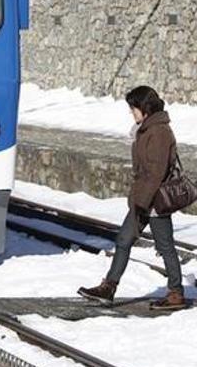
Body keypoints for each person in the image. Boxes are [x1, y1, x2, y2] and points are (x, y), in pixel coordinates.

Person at [78, 86, 187, 310]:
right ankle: (109, 286)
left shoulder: (159, 132)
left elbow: (156, 172)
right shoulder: (145, 129)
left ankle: (176, 292)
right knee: (123, 240)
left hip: (155, 200)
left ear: (144, 108)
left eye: (133, 108)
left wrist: (141, 202)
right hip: (143, 199)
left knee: (165, 246)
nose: (132, 113)